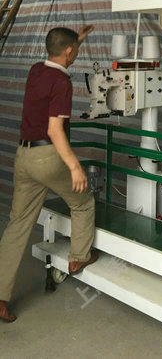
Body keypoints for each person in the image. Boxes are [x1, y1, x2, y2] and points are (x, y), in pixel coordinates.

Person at [0, 25, 98, 323]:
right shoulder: (62, 83)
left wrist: (76, 40)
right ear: (69, 52)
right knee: (83, 201)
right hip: (48, 157)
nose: (76, 53)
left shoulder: (36, 70)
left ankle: (0, 298)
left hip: (24, 157)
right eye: (75, 50)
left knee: (18, 224)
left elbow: (60, 53)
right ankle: (79, 257)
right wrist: (75, 167)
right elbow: (55, 130)